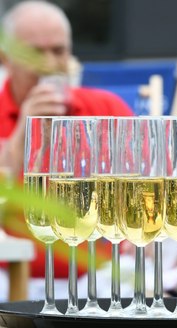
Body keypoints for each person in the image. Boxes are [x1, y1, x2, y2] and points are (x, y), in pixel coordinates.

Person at [0, 0, 132, 301]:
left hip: (96, 274)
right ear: (6, 58)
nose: (49, 63)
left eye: (58, 51)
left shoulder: (107, 109)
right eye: (35, 52)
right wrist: (25, 129)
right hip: (11, 275)